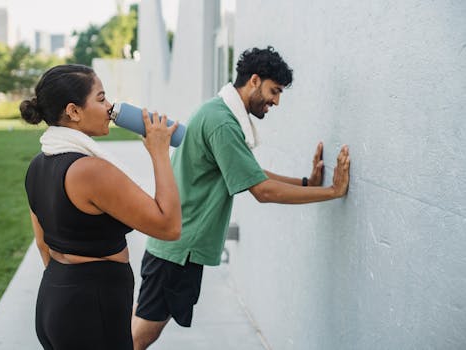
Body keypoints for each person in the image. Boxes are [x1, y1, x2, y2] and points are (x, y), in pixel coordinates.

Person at [131, 46, 351, 349]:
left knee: (140, 329)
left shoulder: (219, 112)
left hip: (174, 246)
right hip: (178, 249)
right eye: (274, 91)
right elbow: (261, 190)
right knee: (142, 334)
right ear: (255, 80)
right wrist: (330, 191)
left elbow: (251, 172)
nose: (276, 101)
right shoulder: (222, 123)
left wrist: (306, 183)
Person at [20, 64, 181, 350]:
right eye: (101, 98)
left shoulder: (38, 165)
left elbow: (43, 244)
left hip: (56, 300)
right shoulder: (90, 171)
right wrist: (159, 153)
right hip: (90, 310)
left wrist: (69, 288)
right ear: (73, 111)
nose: (110, 107)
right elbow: (168, 226)